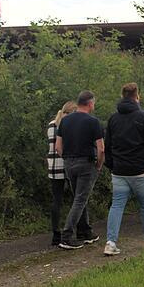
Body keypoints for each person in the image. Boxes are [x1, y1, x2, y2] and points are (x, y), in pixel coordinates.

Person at [103, 83, 144, 256]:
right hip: (142, 170)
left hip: (119, 170)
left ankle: (111, 242)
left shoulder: (113, 119)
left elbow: (108, 145)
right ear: (137, 96)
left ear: (122, 96)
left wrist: (112, 165)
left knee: (117, 205)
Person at [55, 90, 104, 250]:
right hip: (86, 163)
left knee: (79, 197)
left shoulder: (65, 121)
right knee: (80, 199)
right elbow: (101, 148)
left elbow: (58, 146)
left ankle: (85, 231)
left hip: (69, 162)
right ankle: (67, 235)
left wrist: (67, 158)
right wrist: (99, 164)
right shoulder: (93, 121)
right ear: (90, 103)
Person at [47, 101, 78, 246]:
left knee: (56, 199)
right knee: (76, 198)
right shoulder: (70, 124)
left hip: (53, 164)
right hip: (68, 163)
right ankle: (72, 229)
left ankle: (55, 233)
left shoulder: (52, 124)